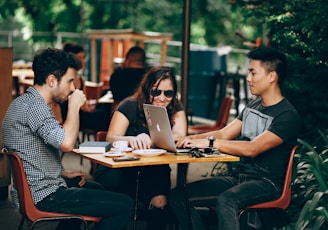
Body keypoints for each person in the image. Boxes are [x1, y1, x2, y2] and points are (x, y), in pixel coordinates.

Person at [170, 47, 301, 230]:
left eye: (253, 72)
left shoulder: (286, 115)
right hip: (239, 178)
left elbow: (253, 148)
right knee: (178, 197)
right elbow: (224, 133)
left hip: (267, 183)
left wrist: (208, 142)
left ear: (272, 77)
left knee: (227, 200)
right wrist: (187, 139)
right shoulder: (253, 105)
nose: (248, 78)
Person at [2, 48, 133, 230]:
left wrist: (61, 173)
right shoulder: (36, 108)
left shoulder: (22, 103)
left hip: (34, 190)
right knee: (125, 205)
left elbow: (30, 153)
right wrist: (74, 107)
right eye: (70, 81)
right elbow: (67, 144)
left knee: (98, 189)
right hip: (45, 196)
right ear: (51, 80)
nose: (73, 88)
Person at [95, 66, 187, 230]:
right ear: (147, 90)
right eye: (156, 92)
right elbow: (110, 138)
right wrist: (133, 139)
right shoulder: (129, 105)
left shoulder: (175, 108)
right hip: (121, 169)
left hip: (153, 169)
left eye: (168, 93)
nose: (162, 98)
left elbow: (180, 135)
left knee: (160, 205)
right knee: (130, 201)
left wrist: (152, 139)